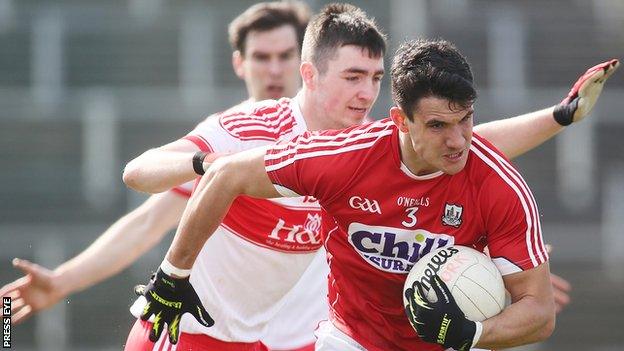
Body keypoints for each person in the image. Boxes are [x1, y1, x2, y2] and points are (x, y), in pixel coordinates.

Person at [126, 3, 619, 351]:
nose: (365, 94)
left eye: (375, 79)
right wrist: (202, 175)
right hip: (195, 327)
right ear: (310, 75)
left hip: (279, 335)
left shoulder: (380, 144)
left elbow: (458, 143)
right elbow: (144, 179)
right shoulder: (261, 132)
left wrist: (558, 117)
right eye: (352, 77)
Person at [0, 2, 322, 351]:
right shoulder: (229, 137)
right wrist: (63, 281)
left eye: (285, 55)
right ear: (239, 63)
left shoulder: (345, 140)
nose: (274, 69)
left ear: (307, 65)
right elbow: (148, 221)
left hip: (305, 341)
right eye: (261, 57)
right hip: (219, 338)